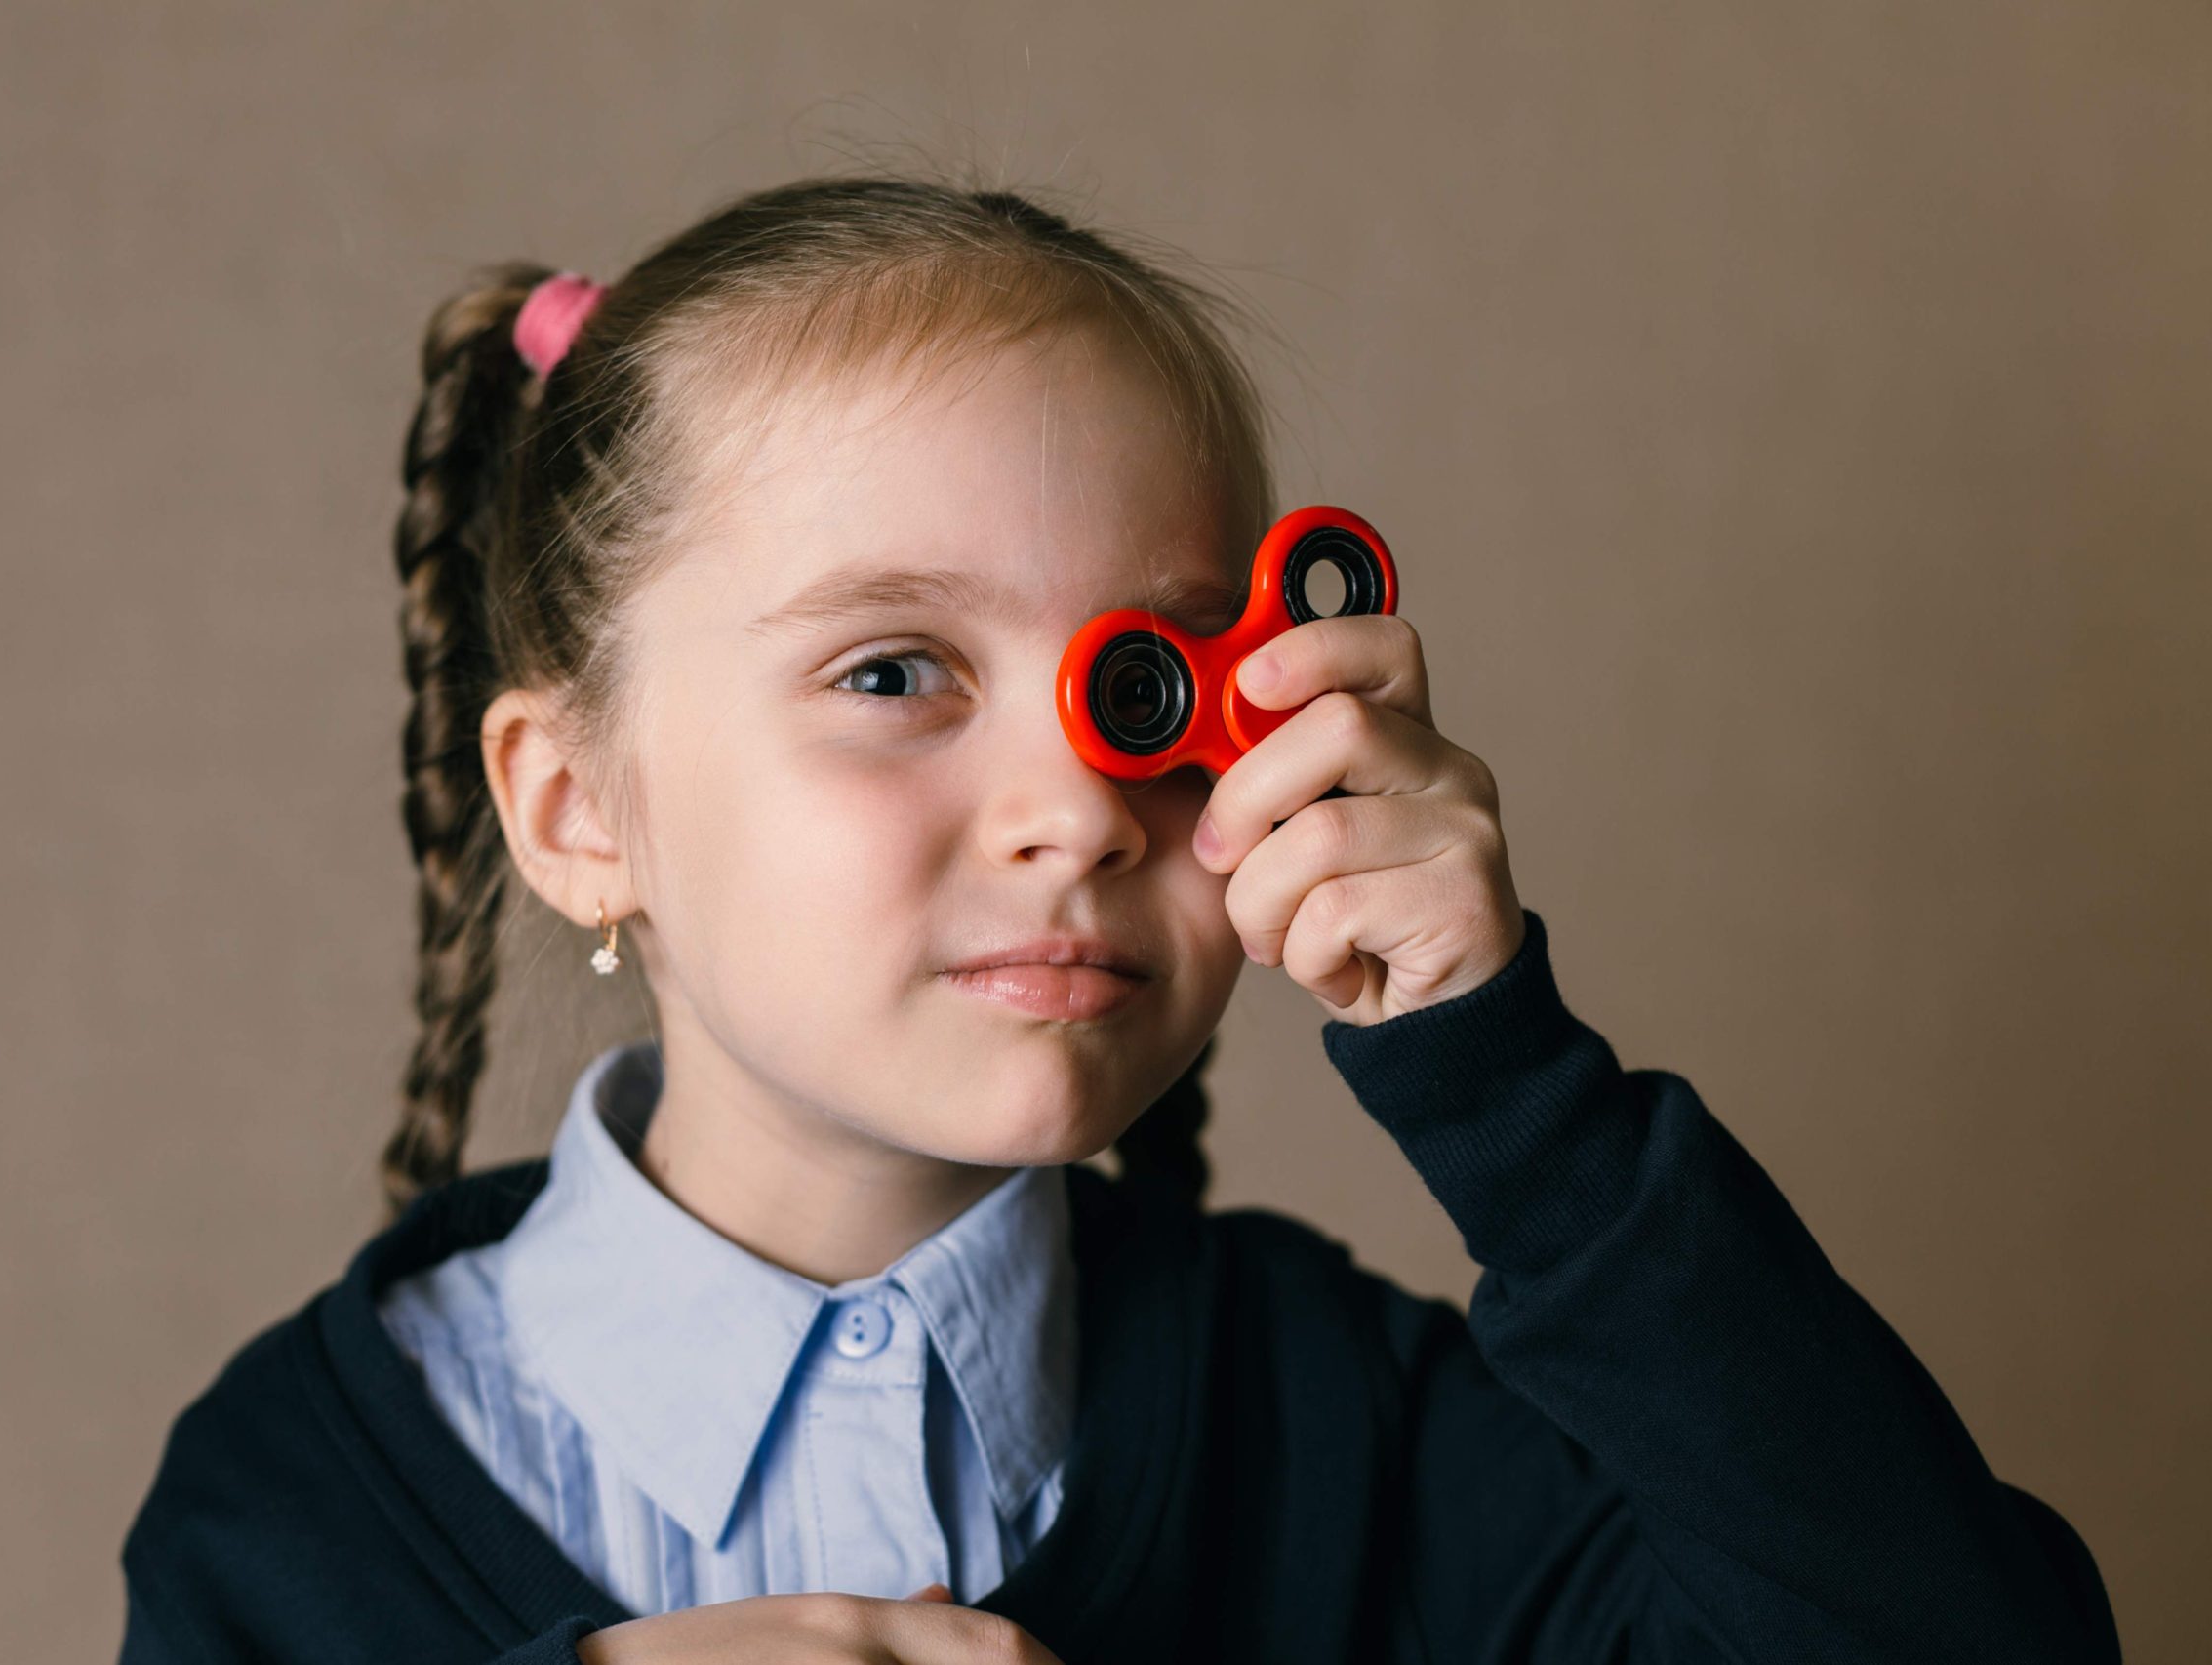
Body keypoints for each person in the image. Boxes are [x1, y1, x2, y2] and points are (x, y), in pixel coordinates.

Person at [114, 172, 2120, 1664]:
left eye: (1148, 687)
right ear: (573, 810)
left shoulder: (1338, 1428)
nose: (1079, 807)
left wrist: (1504, 1074)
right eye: (891, 672)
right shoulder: (288, 1509)